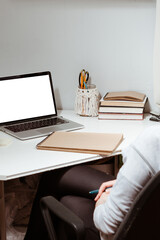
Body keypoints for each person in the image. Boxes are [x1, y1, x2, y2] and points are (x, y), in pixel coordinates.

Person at [24, 125, 160, 240]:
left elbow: (107, 224)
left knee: (68, 203)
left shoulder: (152, 140)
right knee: (56, 175)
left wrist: (104, 199)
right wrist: (126, 181)